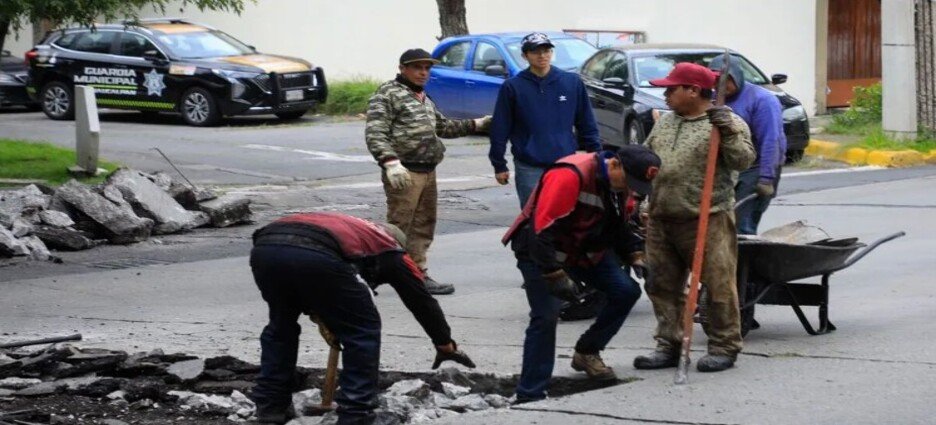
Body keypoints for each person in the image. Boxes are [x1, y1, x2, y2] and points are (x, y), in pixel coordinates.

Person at [249, 212, 476, 425]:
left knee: (281, 326)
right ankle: (356, 412)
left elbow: (308, 284)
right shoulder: (391, 251)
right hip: (317, 253)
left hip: (267, 249)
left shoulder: (353, 229)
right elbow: (421, 300)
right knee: (362, 331)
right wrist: (444, 343)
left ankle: (271, 406)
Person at [501, 145, 661, 402]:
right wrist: (553, 274)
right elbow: (540, 232)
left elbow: (617, 227)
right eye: (630, 181)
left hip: (583, 250)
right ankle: (530, 393)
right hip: (540, 252)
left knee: (626, 291)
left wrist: (636, 255)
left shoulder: (618, 186)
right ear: (615, 165)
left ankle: (587, 351)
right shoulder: (570, 174)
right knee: (546, 316)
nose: (632, 189)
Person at [632, 62, 755, 373]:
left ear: (694, 90)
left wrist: (726, 131)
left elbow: (743, 160)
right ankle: (668, 344)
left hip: (707, 217)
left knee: (717, 285)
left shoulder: (726, 122)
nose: (666, 93)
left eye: (672, 88)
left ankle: (724, 345)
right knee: (661, 284)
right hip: (662, 217)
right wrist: (643, 203)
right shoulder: (665, 122)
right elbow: (648, 160)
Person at [366, 48, 491, 295]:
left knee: (423, 225)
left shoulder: (423, 96)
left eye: (427, 68)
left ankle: (417, 274)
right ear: (403, 68)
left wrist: (477, 124)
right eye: (417, 67)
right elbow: (375, 133)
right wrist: (390, 162)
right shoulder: (388, 94)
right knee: (399, 227)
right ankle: (371, 275)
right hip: (404, 172)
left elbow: (443, 127)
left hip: (428, 171)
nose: (423, 72)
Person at [488, 32, 601, 208]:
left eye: (546, 50)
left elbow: (586, 122)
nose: (542, 56)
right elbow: (500, 128)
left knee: (566, 213)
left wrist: (597, 156)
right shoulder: (513, 87)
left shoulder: (571, 82)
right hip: (529, 165)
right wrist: (499, 164)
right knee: (532, 215)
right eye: (535, 52)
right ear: (525, 56)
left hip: (565, 163)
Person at [708, 55, 787, 235]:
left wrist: (766, 178)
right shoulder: (715, 100)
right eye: (715, 82)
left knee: (741, 224)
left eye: (725, 81)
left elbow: (771, 140)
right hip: (731, 167)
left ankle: (745, 261)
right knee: (723, 223)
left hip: (757, 167)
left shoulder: (762, 100)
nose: (720, 87)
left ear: (736, 76)